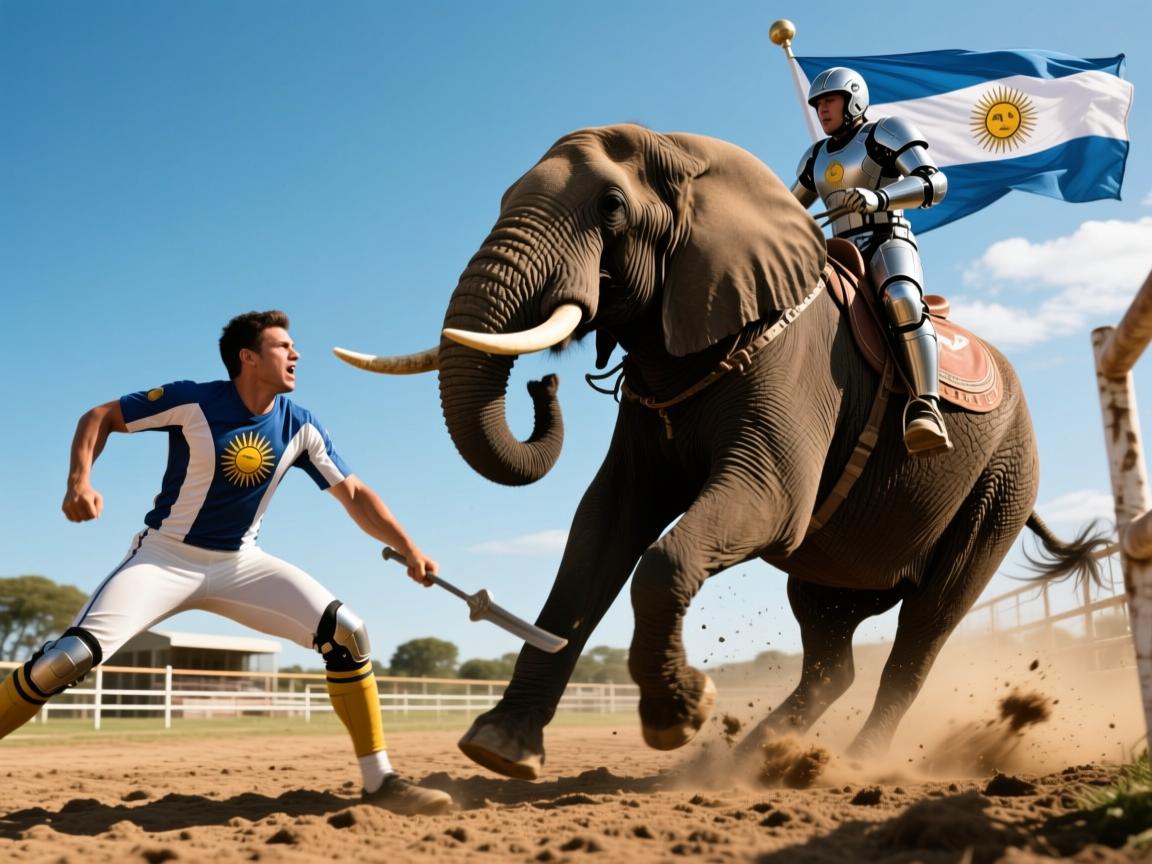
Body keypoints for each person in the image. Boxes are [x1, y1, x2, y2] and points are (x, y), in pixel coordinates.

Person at [0, 310, 453, 815]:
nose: (296, 354)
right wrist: (78, 483)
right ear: (248, 357)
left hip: (241, 564)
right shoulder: (194, 399)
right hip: (164, 557)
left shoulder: (300, 425)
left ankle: (380, 782)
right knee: (66, 660)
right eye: (284, 346)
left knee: (348, 634)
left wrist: (410, 548)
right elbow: (99, 416)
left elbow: (355, 494)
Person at [790, 67, 952, 455]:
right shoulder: (814, 157)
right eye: (817, 105)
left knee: (901, 299)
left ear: (854, 100)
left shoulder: (884, 132)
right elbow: (787, 209)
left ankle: (926, 406)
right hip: (837, 253)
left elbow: (935, 182)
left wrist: (879, 198)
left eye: (829, 101)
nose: (822, 110)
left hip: (887, 239)